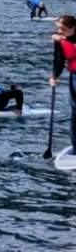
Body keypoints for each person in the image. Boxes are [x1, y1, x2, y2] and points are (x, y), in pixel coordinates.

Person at [51, 14, 76, 154]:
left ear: (73, 27)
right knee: (75, 114)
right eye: (58, 28)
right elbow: (58, 60)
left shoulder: (64, 38)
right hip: (75, 78)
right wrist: (54, 76)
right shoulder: (60, 41)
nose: (59, 31)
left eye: (63, 29)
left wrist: (65, 38)